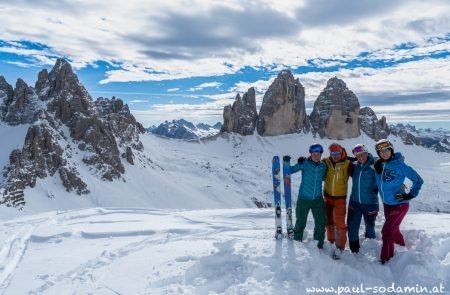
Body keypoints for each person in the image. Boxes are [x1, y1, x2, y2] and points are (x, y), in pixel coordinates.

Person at [374, 139, 424, 264]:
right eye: (381, 151)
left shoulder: (399, 165)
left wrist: (409, 194)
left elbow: (418, 180)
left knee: (386, 231)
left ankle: (386, 260)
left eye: (387, 150)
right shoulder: (379, 164)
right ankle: (401, 247)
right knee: (393, 230)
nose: (384, 153)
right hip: (387, 204)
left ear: (391, 150)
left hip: (399, 205)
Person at [283, 143, 328, 249]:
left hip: (318, 200)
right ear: (311, 154)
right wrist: (286, 162)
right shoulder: (305, 163)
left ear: (321, 154)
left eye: (318, 153)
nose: (316, 155)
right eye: (314, 153)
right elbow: (290, 170)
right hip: (304, 199)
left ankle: (319, 245)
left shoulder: (323, 166)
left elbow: (327, 178)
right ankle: (297, 243)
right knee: (300, 223)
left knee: (321, 223)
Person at [322, 143, 353, 259]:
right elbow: (315, 164)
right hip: (327, 197)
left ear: (342, 152)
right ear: (330, 154)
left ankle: (340, 247)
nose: (335, 156)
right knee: (328, 220)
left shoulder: (348, 164)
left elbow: (361, 169)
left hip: (340, 198)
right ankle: (331, 241)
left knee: (339, 223)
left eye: (338, 154)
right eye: (333, 154)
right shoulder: (326, 162)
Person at [347, 144, 379, 254]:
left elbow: (389, 161)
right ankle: (354, 250)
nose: (361, 157)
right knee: (352, 226)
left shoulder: (375, 164)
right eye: (358, 155)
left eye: (363, 154)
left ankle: (370, 251)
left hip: (370, 203)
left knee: (370, 228)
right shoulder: (354, 165)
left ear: (367, 153)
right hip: (354, 202)